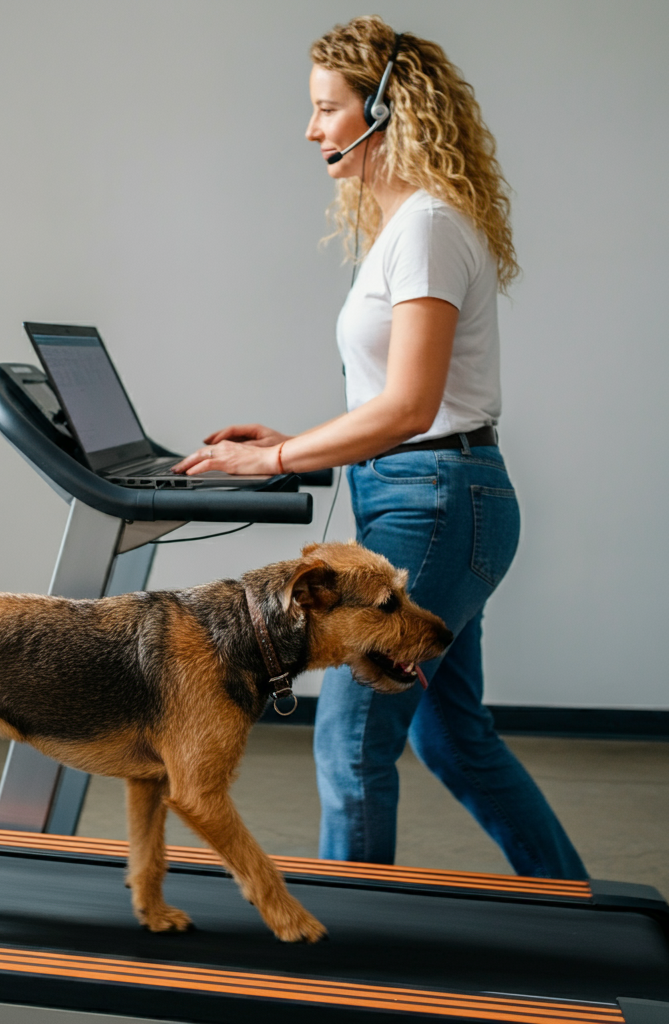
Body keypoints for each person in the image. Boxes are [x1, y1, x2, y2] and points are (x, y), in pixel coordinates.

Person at [173, 16, 586, 879]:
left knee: (353, 739)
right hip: (420, 494)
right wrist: (301, 444)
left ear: (387, 107)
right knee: (456, 739)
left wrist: (273, 461)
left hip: (435, 504)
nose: (313, 129)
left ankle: (349, 961)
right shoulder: (403, 228)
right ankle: (575, 905)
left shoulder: (430, 224)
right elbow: (393, 408)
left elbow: (411, 405)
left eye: (328, 108)